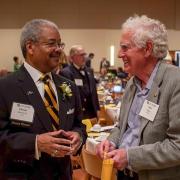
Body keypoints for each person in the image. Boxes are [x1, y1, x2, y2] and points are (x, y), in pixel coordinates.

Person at [0, 19, 87, 179]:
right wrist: (36, 143)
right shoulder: (5, 87)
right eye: (51, 43)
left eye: (60, 44)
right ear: (30, 47)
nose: (59, 50)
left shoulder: (68, 86)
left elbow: (79, 125)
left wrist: (78, 136)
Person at [96, 15, 180, 180]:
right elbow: (122, 127)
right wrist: (111, 141)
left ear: (147, 49)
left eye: (125, 47)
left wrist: (130, 156)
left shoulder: (175, 82)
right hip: (124, 174)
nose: (120, 54)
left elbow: (177, 146)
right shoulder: (132, 83)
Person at [60, 45, 100, 120]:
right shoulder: (65, 73)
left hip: (92, 113)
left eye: (85, 54)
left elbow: (94, 91)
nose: (84, 57)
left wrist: (97, 109)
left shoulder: (89, 71)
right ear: (72, 58)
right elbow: (67, 96)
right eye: (81, 55)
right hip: (77, 114)